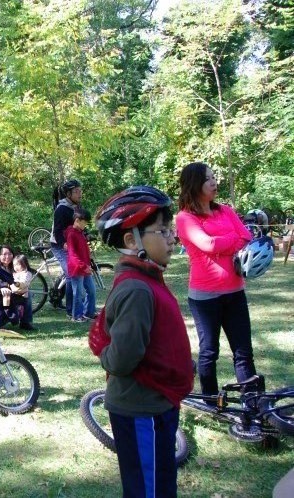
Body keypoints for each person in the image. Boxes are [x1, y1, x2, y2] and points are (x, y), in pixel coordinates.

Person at [91, 186, 194, 498]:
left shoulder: (147, 280)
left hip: (155, 405)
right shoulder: (136, 289)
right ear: (131, 240)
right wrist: (106, 353)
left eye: (170, 229)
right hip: (140, 410)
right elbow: (122, 358)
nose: (171, 237)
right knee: (146, 489)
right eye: (161, 230)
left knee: (161, 484)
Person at [176, 162, 255, 396]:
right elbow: (207, 244)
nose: (214, 182)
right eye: (208, 179)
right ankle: (210, 401)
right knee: (210, 350)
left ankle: (251, 402)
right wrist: (231, 238)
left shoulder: (226, 211)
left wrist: (221, 242)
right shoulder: (184, 217)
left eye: (214, 177)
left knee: (243, 351)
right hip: (205, 296)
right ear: (194, 184)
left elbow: (247, 236)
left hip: (235, 291)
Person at [50, 179, 83, 316]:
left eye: (80, 191)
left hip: (71, 245)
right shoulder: (62, 209)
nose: (80, 194)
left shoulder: (76, 207)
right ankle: (71, 310)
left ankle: (79, 306)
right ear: (68, 194)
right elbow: (57, 231)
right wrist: (64, 244)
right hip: (59, 246)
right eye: (76, 191)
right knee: (71, 274)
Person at [65, 208, 96, 322]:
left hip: (85, 268)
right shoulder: (71, 234)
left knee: (91, 290)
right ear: (77, 220)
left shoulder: (80, 233)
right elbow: (73, 255)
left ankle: (89, 312)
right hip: (77, 269)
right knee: (78, 293)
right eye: (84, 222)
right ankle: (77, 316)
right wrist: (84, 266)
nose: (85, 225)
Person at [0, 245, 35, 330]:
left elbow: (23, 280)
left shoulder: (13, 267)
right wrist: (1, 287)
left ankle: (25, 322)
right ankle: (0, 321)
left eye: (10, 254)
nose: (7, 256)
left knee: (28, 295)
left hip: (13, 293)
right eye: (4, 254)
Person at [2, 255, 34, 326]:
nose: (16, 267)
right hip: (12, 294)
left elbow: (25, 283)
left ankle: (25, 321)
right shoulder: (14, 273)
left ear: (24, 264)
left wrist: (17, 284)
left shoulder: (27, 274)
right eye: (14, 265)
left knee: (28, 296)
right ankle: (8, 319)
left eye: (18, 264)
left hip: (21, 295)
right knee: (6, 304)